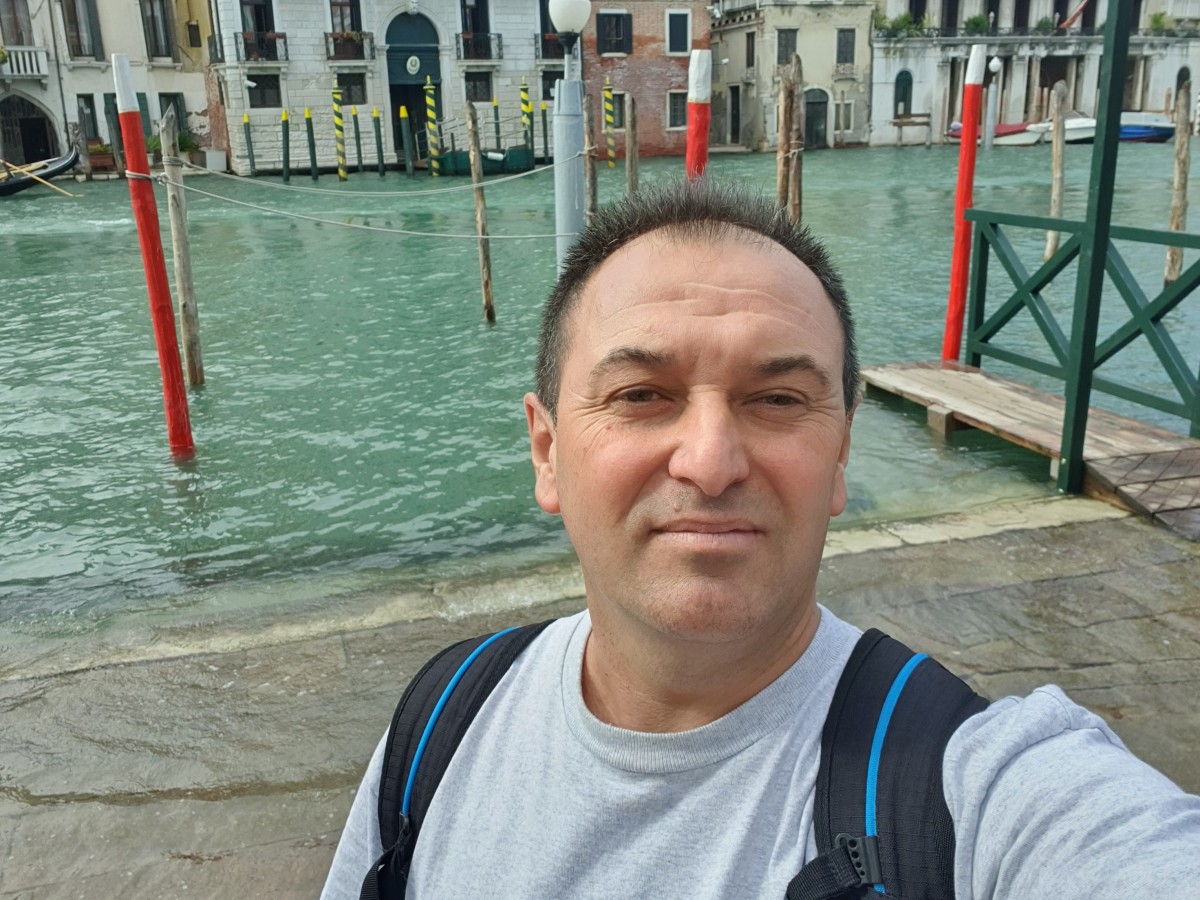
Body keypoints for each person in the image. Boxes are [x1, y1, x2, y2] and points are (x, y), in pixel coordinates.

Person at [321, 181, 1200, 899]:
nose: (710, 462)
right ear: (547, 452)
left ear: (841, 452)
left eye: (778, 400)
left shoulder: (977, 788)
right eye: (641, 395)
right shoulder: (443, 721)